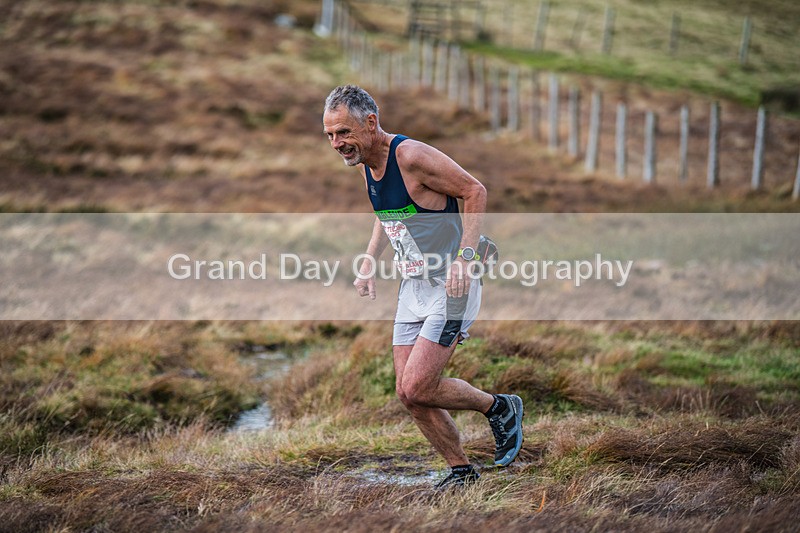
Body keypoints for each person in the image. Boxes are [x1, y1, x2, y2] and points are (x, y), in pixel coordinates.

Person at [322, 85, 523, 489]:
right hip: (412, 287)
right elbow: (386, 214)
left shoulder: (410, 157)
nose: (337, 143)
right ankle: (461, 470)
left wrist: (466, 259)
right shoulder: (366, 163)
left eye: (343, 132)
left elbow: (474, 190)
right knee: (409, 394)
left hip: (452, 287)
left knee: (419, 384)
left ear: (371, 123)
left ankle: (499, 407)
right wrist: (368, 262)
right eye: (329, 135)